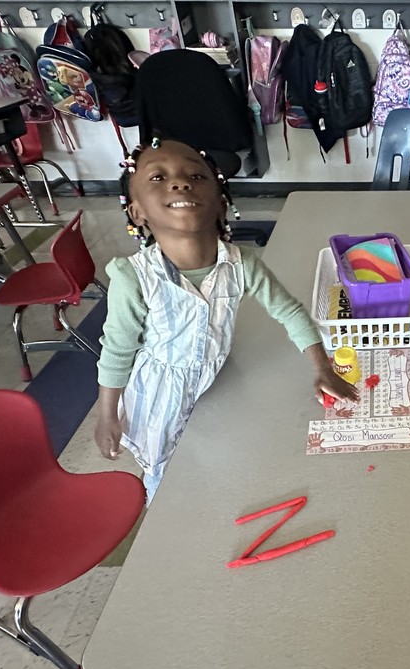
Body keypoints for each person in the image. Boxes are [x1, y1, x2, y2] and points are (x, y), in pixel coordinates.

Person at [94, 137, 358, 502]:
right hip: (157, 395)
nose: (180, 183)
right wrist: (107, 413)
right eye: (158, 178)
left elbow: (289, 311)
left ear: (221, 202)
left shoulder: (242, 264)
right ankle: (165, 516)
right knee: (163, 475)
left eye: (196, 176)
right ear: (137, 212)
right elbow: (118, 350)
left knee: (216, 465)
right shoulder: (132, 277)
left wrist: (323, 368)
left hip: (218, 384)